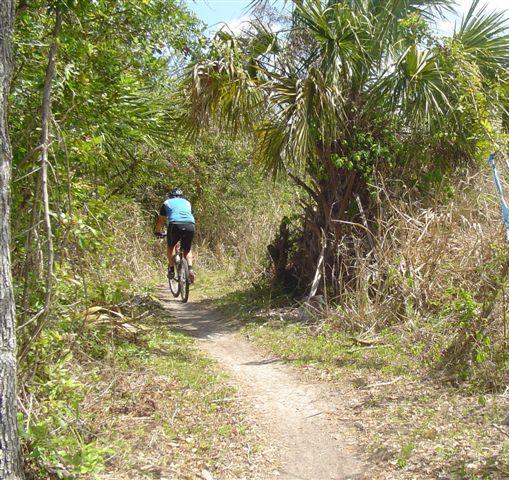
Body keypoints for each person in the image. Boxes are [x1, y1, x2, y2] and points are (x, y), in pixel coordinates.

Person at [154, 188, 196, 283]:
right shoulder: (187, 202)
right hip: (190, 224)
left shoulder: (167, 202)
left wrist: (157, 231)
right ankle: (190, 268)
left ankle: (171, 269)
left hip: (175, 224)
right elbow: (189, 214)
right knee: (187, 249)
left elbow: (161, 220)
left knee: (171, 246)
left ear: (170, 195)